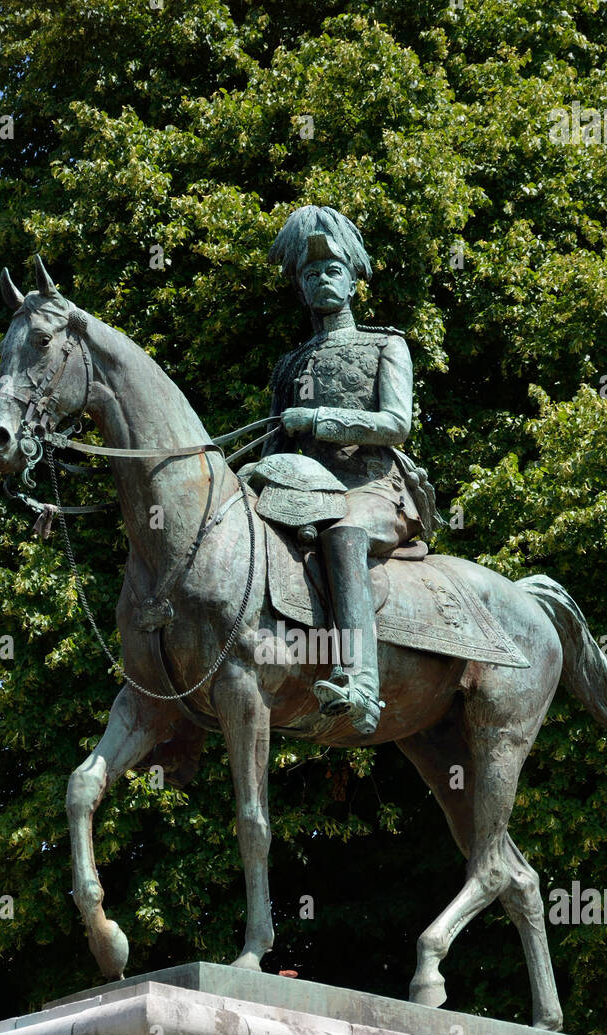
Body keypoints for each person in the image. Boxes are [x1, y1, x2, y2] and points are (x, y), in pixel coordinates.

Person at [241, 205, 439, 735]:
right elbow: (276, 442)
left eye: (332, 271)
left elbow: (396, 423)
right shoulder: (289, 364)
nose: (322, 280)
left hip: (375, 489)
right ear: (301, 288)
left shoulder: (385, 344)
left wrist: (320, 420)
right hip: (307, 492)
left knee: (344, 530)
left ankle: (362, 684)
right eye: (311, 275)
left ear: (352, 279)